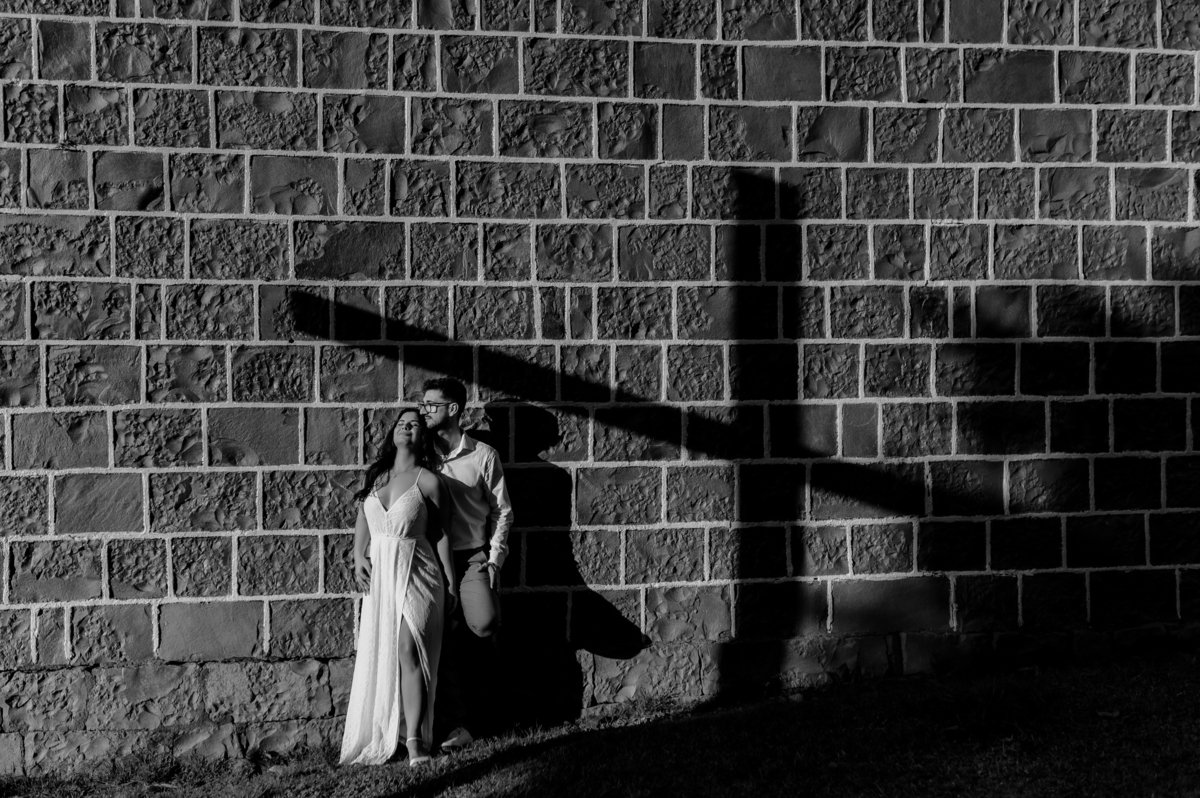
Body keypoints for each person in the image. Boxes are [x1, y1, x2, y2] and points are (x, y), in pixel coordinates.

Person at [340, 409, 457, 767]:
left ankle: (415, 741)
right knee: (387, 652)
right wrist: (358, 554)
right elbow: (364, 514)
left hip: (419, 574)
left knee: (409, 648)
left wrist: (451, 582)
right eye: (402, 423)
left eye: (415, 424)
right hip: (381, 578)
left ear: (423, 438)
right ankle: (390, 730)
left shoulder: (430, 481)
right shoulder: (377, 477)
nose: (407, 427)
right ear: (393, 434)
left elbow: (442, 534)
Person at [420, 378, 513, 752]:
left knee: (483, 624)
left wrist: (494, 561)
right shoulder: (421, 453)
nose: (424, 410)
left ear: (453, 409)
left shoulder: (483, 456)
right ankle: (456, 725)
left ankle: (487, 710)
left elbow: (502, 511)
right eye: (423, 404)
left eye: (431, 404)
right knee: (439, 638)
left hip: (472, 557)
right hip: (428, 561)